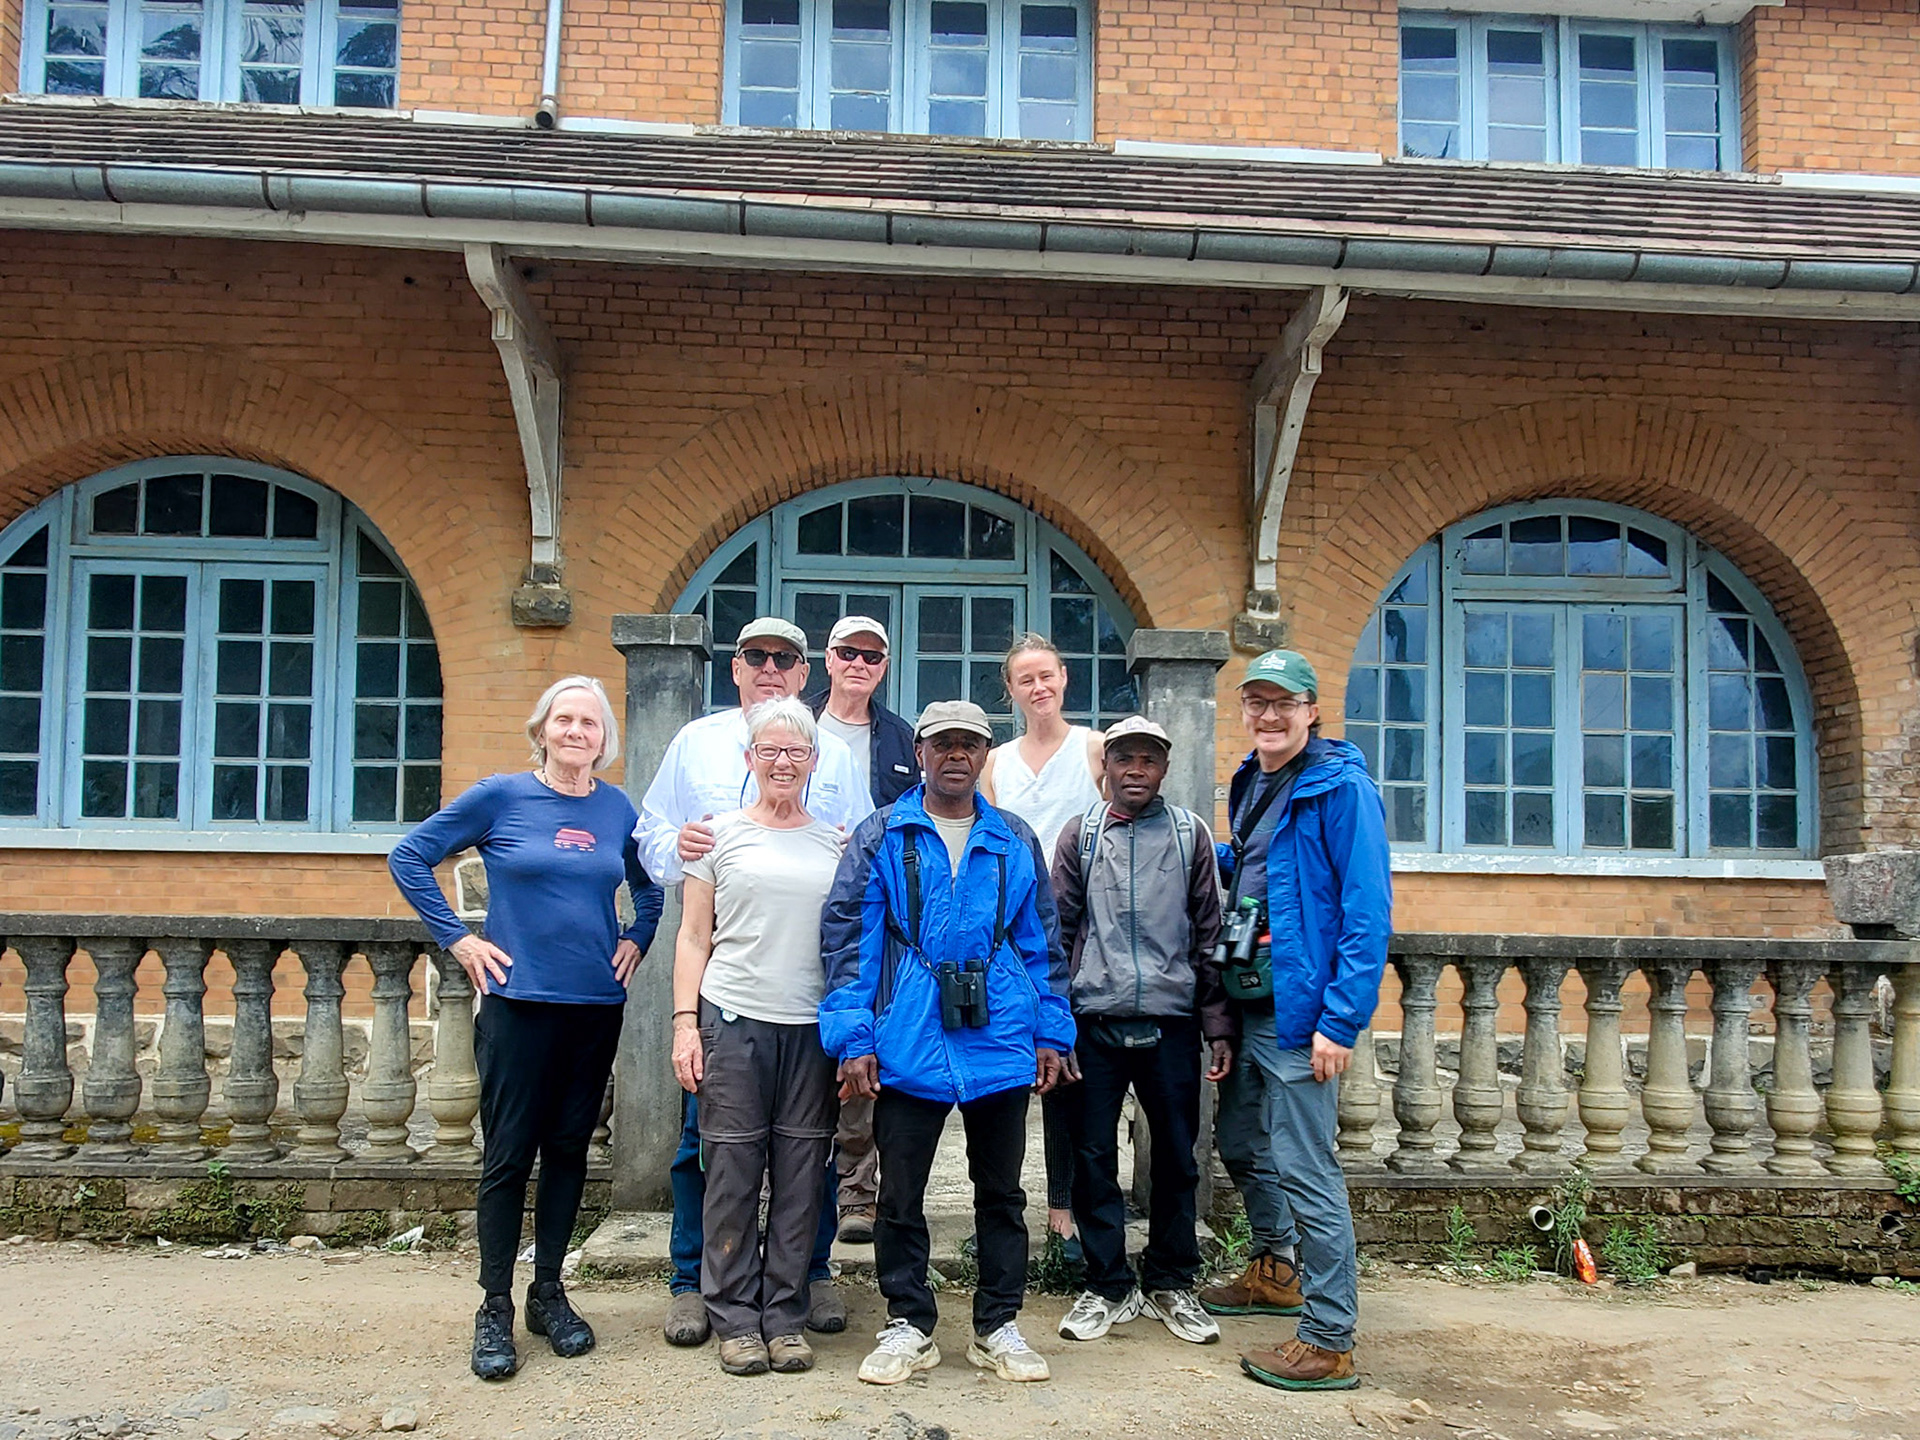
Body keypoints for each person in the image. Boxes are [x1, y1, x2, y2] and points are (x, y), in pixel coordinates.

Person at [388, 675, 663, 1382]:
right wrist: (459, 938)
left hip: (594, 1006)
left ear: (605, 742)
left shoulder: (615, 808)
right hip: (517, 1002)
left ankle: (549, 1292)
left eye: (591, 724)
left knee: (570, 1150)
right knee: (509, 1156)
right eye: (565, 720)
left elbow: (650, 884)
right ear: (541, 730)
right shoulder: (501, 797)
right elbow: (409, 857)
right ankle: (494, 1304)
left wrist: (639, 935)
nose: (577, 732)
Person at [634, 615, 875, 1347]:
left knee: (808, 1155)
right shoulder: (695, 744)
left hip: (808, 1016)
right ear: (735, 667)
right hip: (729, 1008)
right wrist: (677, 843)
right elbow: (655, 851)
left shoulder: (834, 760)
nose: (770, 665)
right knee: (711, 1152)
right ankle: (697, 1286)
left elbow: (860, 869)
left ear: (806, 673)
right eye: (755, 654)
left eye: (786, 657)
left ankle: (802, 1282)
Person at [820, 700, 1074, 1387]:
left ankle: (998, 1325)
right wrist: (853, 1036)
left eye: (970, 744)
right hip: (909, 1039)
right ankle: (910, 1321)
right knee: (900, 1195)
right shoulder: (883, 834)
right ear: (923, 754)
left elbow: (1042, 943)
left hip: (999, 1041)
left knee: (1001, 1194)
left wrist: (1052, 1028)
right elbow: (849, 943)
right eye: (943, 744)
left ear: (984, 755)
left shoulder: (1012, 838)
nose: (956, 755)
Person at [1200, 650, 1390, 1392]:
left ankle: (1330, 1336)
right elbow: (1255, 868)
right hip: (1251, 993)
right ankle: (1275, 1267)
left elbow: (1366, 911)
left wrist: (1340, 1024)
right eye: (1256, 703)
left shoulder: (1341, 789)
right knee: (1242, 1141)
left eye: (1284, 704)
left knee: (1308, 1165)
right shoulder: (1255, 776)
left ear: (1314, 709)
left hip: (1302, 1008)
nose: (1269, 716)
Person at [672, 697, 847, 1376]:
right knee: (732, 1171)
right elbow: (693, 936)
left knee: (803, 1174)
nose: (781, 762)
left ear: (812, 762)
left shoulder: (834, 844)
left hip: (810, 1030)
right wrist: (685, 1025)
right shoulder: (716, 837)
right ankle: (736, 1318)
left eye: (795, 752)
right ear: (749, 760)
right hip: (732, 1020)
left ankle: (785, 1314)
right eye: (768, 751)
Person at [1049, 716, 1230, 1347]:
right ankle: (1107, 1284)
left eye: (1147, 761)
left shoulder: (1189, 836)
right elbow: (1059, 934)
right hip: (1093, 1022)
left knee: (1178, 1159)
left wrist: (1217, 1024)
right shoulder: (1082, 835)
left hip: (1172, 1022)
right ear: (1105, 767)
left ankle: (1172, 1279)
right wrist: (1056, 1023)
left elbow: (1210, 930)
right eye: (1122, 759)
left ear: (1163, 769)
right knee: (1093, 1159)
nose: (1134, 770)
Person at [979, 633, 1105, 1254]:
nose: (1039, 688)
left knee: (1070, 1067)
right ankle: (1004, 1206)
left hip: (1084, 933)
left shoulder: (1095, 750)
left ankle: (1066, 1207)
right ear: (1011, 691)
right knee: (1015, 1064)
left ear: (1064, 679)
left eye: (1047, 676)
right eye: (1025, 679)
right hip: (1019, 935)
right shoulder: (995, 762)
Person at [804, 614, 919, 1244]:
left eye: (872, 657)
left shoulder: (902, 739)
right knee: (799, 1049)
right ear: (827, 658)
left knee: (862, 1046)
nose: (859, 665)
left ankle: (856, 1188)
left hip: (871, 919)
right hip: (793, 908)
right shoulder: (795, 723)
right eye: (848, 652)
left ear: (884, 667)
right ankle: (790, 1184)